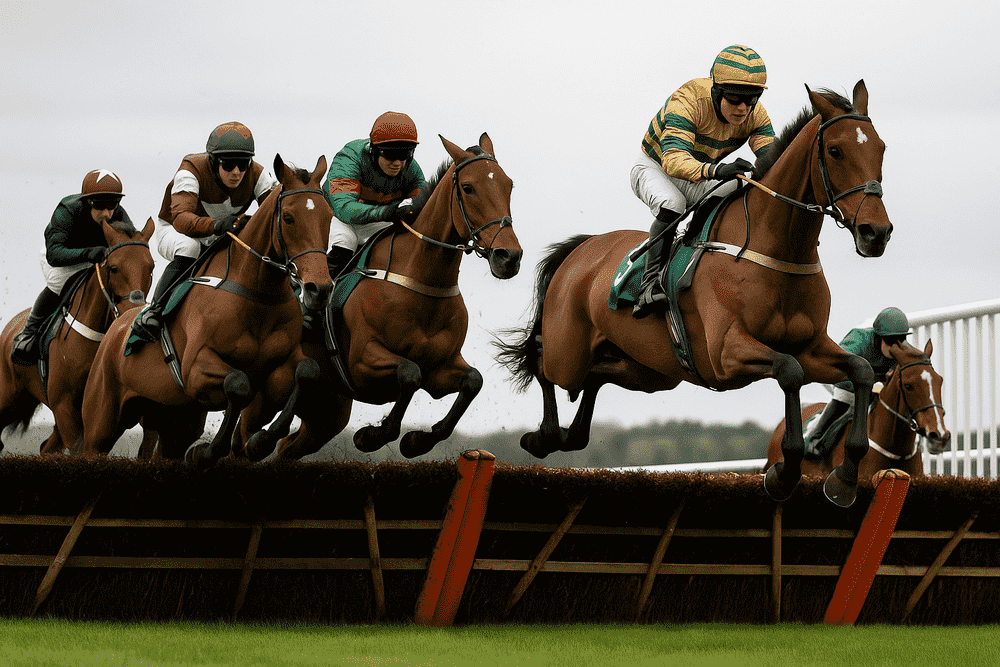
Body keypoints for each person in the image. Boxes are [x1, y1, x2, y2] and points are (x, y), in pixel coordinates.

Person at [630, 45, 777, 319]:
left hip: (697, 169)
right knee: (673, 203)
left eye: (752, 98)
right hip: (655, 165)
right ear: (717, 90)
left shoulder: (755, 115)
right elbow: (673, 161)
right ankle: (648, 284)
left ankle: (698, 248)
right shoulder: (687, 100)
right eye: (734, 98)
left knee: (739, 187)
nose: (743, 108)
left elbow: (772, 158)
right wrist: (717, 170)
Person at [133, 121, 278, 342]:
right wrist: (217, 225)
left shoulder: (257, 174)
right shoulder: (190, 170)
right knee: (190, 247)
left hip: (219, 232)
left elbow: (277, 208)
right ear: (212, 161)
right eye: (228, 164)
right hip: (175, 231)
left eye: (243, 164)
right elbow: (181, 220)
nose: (237, 172)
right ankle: (154, 310)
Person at [10, 170, 135, 366]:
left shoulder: (118, 214)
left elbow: (128, 249)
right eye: (100, 206)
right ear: (87, 202)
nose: (107, 213)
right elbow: (54, 254)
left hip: (96, 256)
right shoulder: (67, 210)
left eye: (112, 205)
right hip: (61, 256)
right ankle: (28, 332)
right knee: (59, 283)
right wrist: (87, 253)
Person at [322, 111, 425, 279]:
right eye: (391, 155)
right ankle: (316, 298)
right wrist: (388, 211)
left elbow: (424, 206)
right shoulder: (349, 158)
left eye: (405, 154)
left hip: (376, 220)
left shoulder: (411, 169)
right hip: (338, 217)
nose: (398, 163)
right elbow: (344, 208)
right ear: (374, 150)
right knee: (345, 243)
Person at [804, 307, 912, 457]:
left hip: (872, 385)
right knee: (846, 398)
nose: (896, 345)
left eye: (901, 339)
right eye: (891, 340)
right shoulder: (859, 341)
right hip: (842, 378)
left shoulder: (901, 348)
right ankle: (814, 438)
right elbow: (839, 364)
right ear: (878, 337)